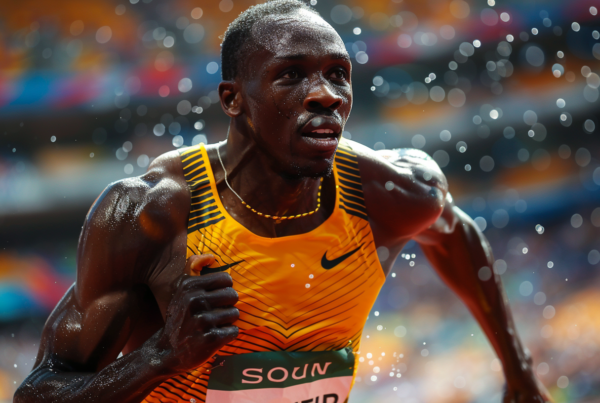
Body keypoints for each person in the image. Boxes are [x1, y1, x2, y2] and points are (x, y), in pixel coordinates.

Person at [15, 1, 552, 402]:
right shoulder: (151, 214)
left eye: (338, 74)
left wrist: (519, 371)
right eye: (291, 74)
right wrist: (161, 359)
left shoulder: (391, 193)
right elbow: (39, 393)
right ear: (233, 99)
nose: (326, 94)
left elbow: (453, 230)